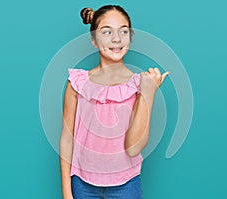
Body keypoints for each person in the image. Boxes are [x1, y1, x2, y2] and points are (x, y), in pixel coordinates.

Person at [59, 5, 169, 199]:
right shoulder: (77, 83)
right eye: (106, 32)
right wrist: (67, 193)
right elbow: (67, 140)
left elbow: (135, 146)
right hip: (82, 184)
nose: (116, 39)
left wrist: (148, 93)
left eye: (123, 31)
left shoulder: (139, 84)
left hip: (126, 185)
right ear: (94, 39)